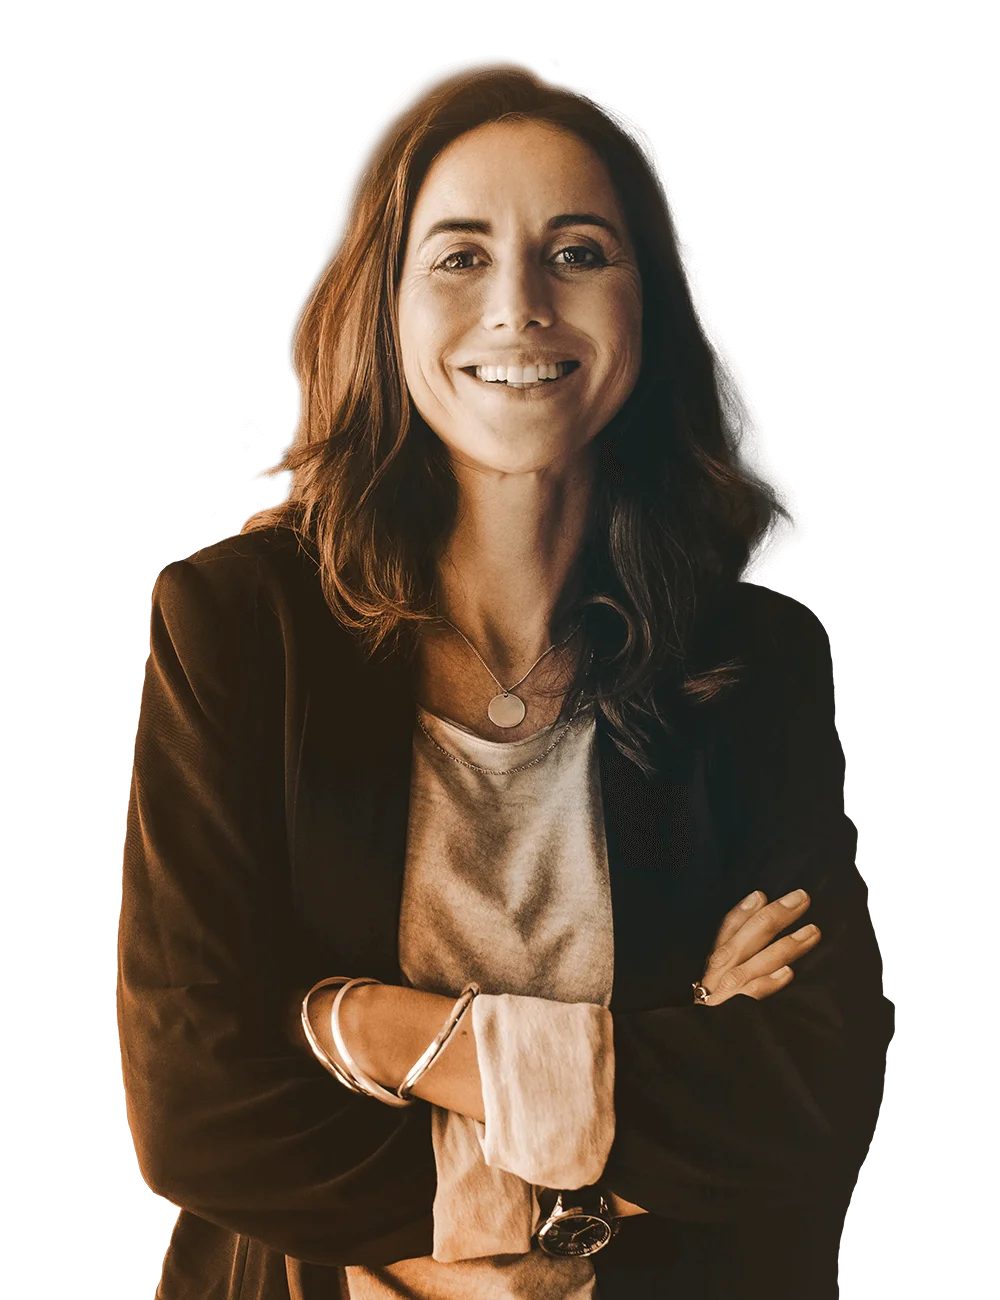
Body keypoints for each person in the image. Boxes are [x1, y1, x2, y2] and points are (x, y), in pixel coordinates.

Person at [117, 59, 893, 1300]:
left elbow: (805, 1088)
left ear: (648, 303)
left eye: (576, 253)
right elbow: (200, 1111)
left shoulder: (758, 663)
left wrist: (369, 1027)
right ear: (384, 304)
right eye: (461, 256)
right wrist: (632, 1086)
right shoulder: (237, 629)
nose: (519, 307)